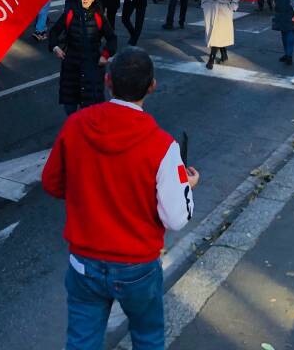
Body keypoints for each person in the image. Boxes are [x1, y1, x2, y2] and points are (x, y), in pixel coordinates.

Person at [42, 48, 198, 350]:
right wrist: (187, 185)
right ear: (151, 86)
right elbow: (176, 218)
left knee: (81, 342)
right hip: (137, 265)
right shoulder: (162, 146)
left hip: (84, 261)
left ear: (108, 80)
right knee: (148, 338)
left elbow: (52, 184)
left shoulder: (76, 125)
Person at [49, 0, 117, 117]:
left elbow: (112, 39)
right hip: (71, 67)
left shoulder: (99, 17)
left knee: (91, 110)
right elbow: (54, 32)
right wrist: (55, 47)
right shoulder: (69, 14)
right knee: (70, 109)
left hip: (92, 66)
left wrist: (105, 55)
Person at [201, 0, 239, 70]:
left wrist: (232, 8)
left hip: (224, 9)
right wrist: (204, 5)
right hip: (211, 9)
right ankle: (224, 53)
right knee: (215, 33)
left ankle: (211, 59)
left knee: (217, 33)